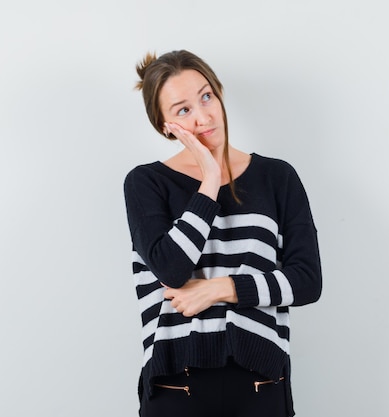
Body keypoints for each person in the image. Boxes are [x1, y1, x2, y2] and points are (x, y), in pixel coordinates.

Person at [124, 49, 322, 417]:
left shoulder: (277, 178)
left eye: (206, 96)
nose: (202, 116)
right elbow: (172, 268)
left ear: (218, 92)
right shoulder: (146, 183)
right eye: (183, 110)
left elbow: (307, 281)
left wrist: (222, 288)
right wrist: (210, 180)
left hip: (260, 382)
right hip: (175, 384)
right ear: (165, 126)